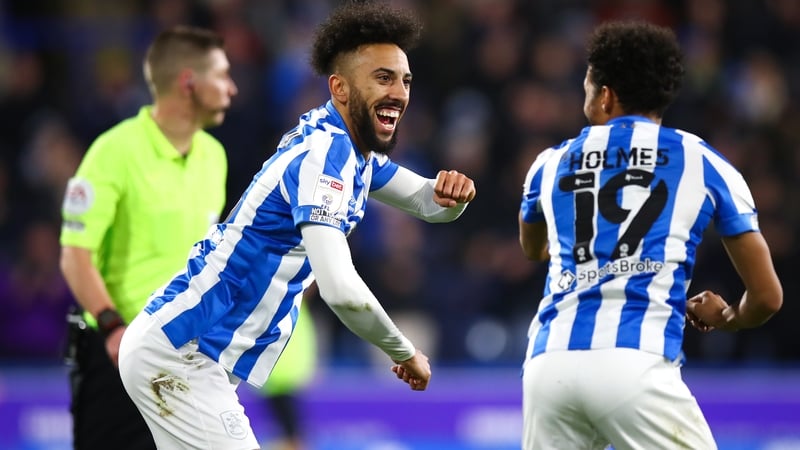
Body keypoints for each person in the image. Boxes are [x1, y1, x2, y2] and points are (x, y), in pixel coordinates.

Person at [117, 2, 476, 449]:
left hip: (181, 352)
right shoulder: (326, 156)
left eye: (405, 80)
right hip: (182, 352)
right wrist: (404, 352)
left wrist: (454, 198)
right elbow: (341, 290)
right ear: (340, 88)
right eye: (382, 78)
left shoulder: (351, 152)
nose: (400, 92)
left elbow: (427, 201)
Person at [517, 20, 782, 450]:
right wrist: (730, 317)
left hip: (550, 365)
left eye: (587, 86)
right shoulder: (702, 162)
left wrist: (582, 254)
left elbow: (533, 248)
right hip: (634, 365)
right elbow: (768, 297)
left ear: (605, 96)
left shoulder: (549, 163)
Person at [59, 25, 237, 450]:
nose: (232, 89)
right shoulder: (112, 152)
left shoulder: (214, 156)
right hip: (116, 354)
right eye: (222, 75)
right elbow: (75, 256)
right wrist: (112, 328)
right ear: (188, 83)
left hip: (185, 360)